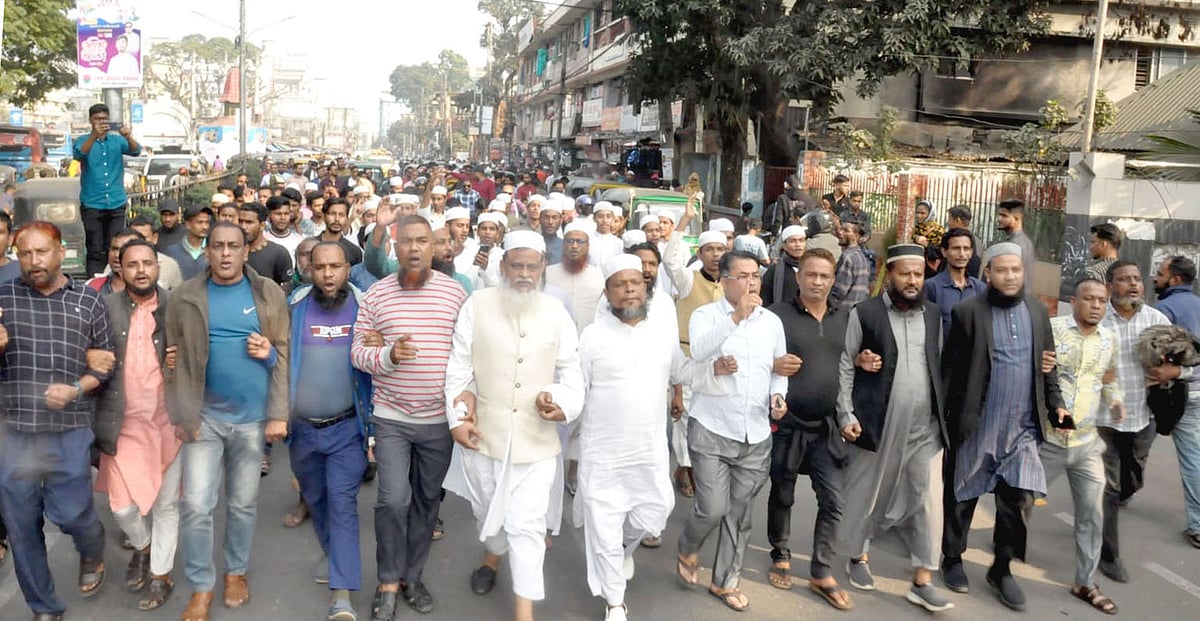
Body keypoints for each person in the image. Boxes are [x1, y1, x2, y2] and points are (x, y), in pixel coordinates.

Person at [443, 230, 583, 621]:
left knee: (526, 526)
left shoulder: (556, 313)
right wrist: (457, 419)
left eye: (532, 267)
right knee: (488, 516)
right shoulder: (477, 304)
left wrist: (561, 401)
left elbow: (572, 373)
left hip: (536, 443)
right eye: (516, 265)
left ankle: (525, 613)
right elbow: (458, 369)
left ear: (542, 269)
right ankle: (491, 557)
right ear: (503, 267)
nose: (524, 274)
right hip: (483, 437)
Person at [166, 222, 290, 621]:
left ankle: (235, 572)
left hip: (253, 421)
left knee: (242, 503)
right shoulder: (185, 297)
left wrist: (277, 412)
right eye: (216, 246)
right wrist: (182, 413)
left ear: (244, 251)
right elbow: (171, 359)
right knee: (197, 505)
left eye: (232, 246)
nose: (224, 254)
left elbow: (282, 356)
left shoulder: (267, 293)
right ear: (207, 251)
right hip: (204, 418)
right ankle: (202, 586)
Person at [350, 216, 468, 619]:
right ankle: (386, 580)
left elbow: (468, 355)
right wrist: (387, 355)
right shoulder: (377, 295)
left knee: (425, 502)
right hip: (392, 416)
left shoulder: (455, 294)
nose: (415, 249)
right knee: (392, 499)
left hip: (439, 421)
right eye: (406, 242)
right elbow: (357, 353)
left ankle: (412, 577)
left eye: (423, 241)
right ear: (394, 248)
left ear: (434, 248)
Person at [941, 242, 1066, 611]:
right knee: (962, 496)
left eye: (1016, 270)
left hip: (1022, 427)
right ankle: (952, 558)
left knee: (1018, 500)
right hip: (977, 424)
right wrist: (944, 425)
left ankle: (1002, 567)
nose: (1010, 276)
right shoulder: (968, 313)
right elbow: (949, 372)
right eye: (1002, 270)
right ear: (989, 274)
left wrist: (1057, 405)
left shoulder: (1038, 311)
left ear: (1024, 273)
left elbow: (1049, 365)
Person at [0, 221, 114, 621]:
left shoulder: (87, 301)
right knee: (21, 526)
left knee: (71, 514)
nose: (33, 261)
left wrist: (77, 389)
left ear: (60, 250)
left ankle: (91, 549)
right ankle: (44, 607)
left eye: (41, 252)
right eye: (24, 253)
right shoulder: (2, 300)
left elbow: (105, 365)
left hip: (69, 429)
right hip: (13, 433)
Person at [836, 244, 953, 613]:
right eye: (905, 273)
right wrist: (846, 414)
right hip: (878, 423)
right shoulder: (866, 313)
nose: (912, 281)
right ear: (890, 275)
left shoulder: (933, 314)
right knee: (870, 494)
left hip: (925, 430)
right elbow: (844, 362)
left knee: (928, 500)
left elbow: (937, 366)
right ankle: (858, 555)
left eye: (918, 274)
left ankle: (923, 579)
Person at [575, 254, 687, 621]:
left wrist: (714, 368)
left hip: (649, 449)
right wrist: (557, 403)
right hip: (603, 452)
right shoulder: (592, 337)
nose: (628, 291)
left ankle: (625, 547)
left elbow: (681, 372)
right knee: (604, 524)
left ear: (645, 288)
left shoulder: (661, 334)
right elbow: (576, 388)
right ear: (607, 293)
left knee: (657, 510)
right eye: (619, 285)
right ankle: (614, 602)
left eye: (634, 283)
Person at [676, 250, 787, 613]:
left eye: (755, 275)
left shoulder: (771, 322)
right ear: (725, 280)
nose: (751, 282)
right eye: (742, 276)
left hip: (755, 434)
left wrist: (777, 396)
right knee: (711, 507)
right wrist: (737, 317)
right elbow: (701, 352)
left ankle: (725, 582)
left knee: (739, 515)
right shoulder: (706, 316)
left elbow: (778, 369)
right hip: (711, 428)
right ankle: (689, 546)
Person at [93, 238, 182, 611]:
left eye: (148, 263)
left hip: (168, 421)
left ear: (158, 267)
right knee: (121, 507)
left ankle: (161, 574)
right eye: (132, 264)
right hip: (120, 422)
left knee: (166, 505)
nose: (141, 270)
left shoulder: (178, 307)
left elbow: (202, 356)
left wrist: (184, 365)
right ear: (120, 269)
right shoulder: (103, 307)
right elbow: (88, 355)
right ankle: (142, 547)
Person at [288, 242, 374, 621]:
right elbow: (282, 359)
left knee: (342, 504)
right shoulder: (294, 307)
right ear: (309, 268)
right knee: (318, 500)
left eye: (335, 267)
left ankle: (342, 593)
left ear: (347, 268)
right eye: (319, 267)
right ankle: (334, 555)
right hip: (303, 431)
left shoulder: (366, 308)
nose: (327, 274)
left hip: (346, 428)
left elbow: (380, 363)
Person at [764, 248, 852, 607]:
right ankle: (780, 553)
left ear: (833, 280)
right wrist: (774, 363)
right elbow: (756, 358)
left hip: (826, 427)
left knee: (833, 500)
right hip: (787, 424)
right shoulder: (776, 316)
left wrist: (864, 360)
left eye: (824, 276)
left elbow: (853, 359)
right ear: (798, 277)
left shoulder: (845, 317)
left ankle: (821, 571)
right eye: (810, 275)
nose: (817, 282)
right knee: (783, 492)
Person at [1045, 277, 1123, 614]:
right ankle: (1004, 556)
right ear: (1074, 301)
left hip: (1087, 443)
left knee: (1092, 514)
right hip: (1047, 439)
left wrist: (1116, 400)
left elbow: (1109, 377)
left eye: (1102, 301)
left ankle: (1085, 581)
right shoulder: (1052, 330)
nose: (1096, 305)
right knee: (1017, 501)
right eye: (1089, 299)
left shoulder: (1109, 339)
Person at [1096, 261, 1171, 581]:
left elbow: (1190, 360)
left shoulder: (1156, 320)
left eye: (1137, 279)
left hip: (1142, 419)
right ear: (1111, 285)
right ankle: (1108, 555)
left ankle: (1100, 510)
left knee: (1132, 481)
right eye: (1125, 279)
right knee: (1109, 489)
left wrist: (1174, 371)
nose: (1133, 285)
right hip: (1103, 420)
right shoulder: (1097, 318)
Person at [663, 196, 725, 498]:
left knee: (709, 415)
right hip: (688, 358)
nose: (715, 255)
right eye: (710, 250)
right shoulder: (688, 280)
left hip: (719, 363)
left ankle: (701, 466)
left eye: (720, 249)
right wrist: (684, 221)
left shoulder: (732, 283)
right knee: (684, 416)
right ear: (700, 253)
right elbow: (671, 261)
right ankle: (685, 469)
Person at [1152, 255, 1200, 548]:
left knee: (1131, 443)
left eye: (1159, 274)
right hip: (1195, 392)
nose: (1154, 278)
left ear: (1175, 279)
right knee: (1192, 456)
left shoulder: (1163, 309)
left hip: (1169, 392)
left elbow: (1152, 354)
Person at [75, 103, 141, 275]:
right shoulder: (83, 140)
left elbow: (136, 151)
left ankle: (118, 280)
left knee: (118, 246)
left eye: (104, 119)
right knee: (95, 248)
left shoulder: (117, 140)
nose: (101, 122)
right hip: (92, 203)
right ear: (90, 120)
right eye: (97, 119)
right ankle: (94, 283)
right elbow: (80, 154)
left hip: (116, 201)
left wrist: (128, 136)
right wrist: (94, 136)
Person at [923, 229, 986, 338]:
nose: (961, 254)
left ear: (971, 253)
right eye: (956, 248)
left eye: (966, 249)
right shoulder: (931, 287)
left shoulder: (980, 288)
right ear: (944, 252)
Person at [546, 223, 605, 335]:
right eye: (570, 241)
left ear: (588, 246)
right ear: (563, 245)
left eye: (580, 241)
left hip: (589, 336)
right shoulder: (548, 273)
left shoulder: (598, 275)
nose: (574, 246)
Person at [238, 203, 294, 286]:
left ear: (262, 226)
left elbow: (287, 285)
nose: (243, 226)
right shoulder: (231, 252)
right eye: (240, 221)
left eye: (249, 222)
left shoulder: (279, 253)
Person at [129, 215, 185, 290]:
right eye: (135, 239)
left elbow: (178, 297)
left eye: (144, 238)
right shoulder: (118, 264)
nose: (139, 242)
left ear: (155, 238)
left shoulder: (170, 265)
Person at [85, 228, 143, 295]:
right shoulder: (91, 286)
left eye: (123, 249)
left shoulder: (152, 290)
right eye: (114, 249)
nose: (117, 255)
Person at [762, 225, 806, 308]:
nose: (798, 245)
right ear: (784, 246)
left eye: (801, 240)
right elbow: (766, 298)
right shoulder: (775, 270)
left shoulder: (811, 267)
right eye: (793, 241)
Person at [163, 205, 212, 281]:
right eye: (200, 222)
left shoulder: (213, 249)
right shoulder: (172, 252)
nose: (204, 227)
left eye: (207, 222)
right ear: (188, 225)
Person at [831, 221, 870, 307]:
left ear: (856, 236)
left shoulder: (847, 258)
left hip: (845, 311)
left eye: (846, 230)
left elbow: (839, 291)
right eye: (841, 229)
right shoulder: (862, 256)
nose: (840, 232)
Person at [317, 198, 364, 266]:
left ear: (347, 218)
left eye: (341, 215)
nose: (337, 219)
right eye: (332, 214)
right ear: (324, 216)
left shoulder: (354, 251)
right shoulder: (310, 245)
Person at [997, 198, 1035, 279]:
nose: (999, 219)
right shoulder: (1027, 241)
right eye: (999, 215)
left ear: (1017, 218)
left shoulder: (1012, 245)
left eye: (1004, 216)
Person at [264, 196, 305, 263]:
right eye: (278, 214)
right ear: (269, 215)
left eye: (286, 214)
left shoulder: (299, 241)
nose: (283, 218)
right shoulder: (263, 240)